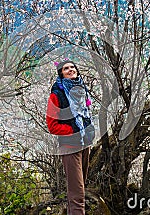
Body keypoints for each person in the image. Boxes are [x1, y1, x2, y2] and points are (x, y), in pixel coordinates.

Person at [46, 59, 95, 215]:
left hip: (84, 144)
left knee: (79, 187)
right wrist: (72, 130)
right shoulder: (57, 95)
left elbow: (87, 113)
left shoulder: (81, 89)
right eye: (66, 68)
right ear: (61, 73)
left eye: (73, 67)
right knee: (77, 193)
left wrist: (88, 130)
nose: (70, 70)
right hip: (70, 147)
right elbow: (52, 125)